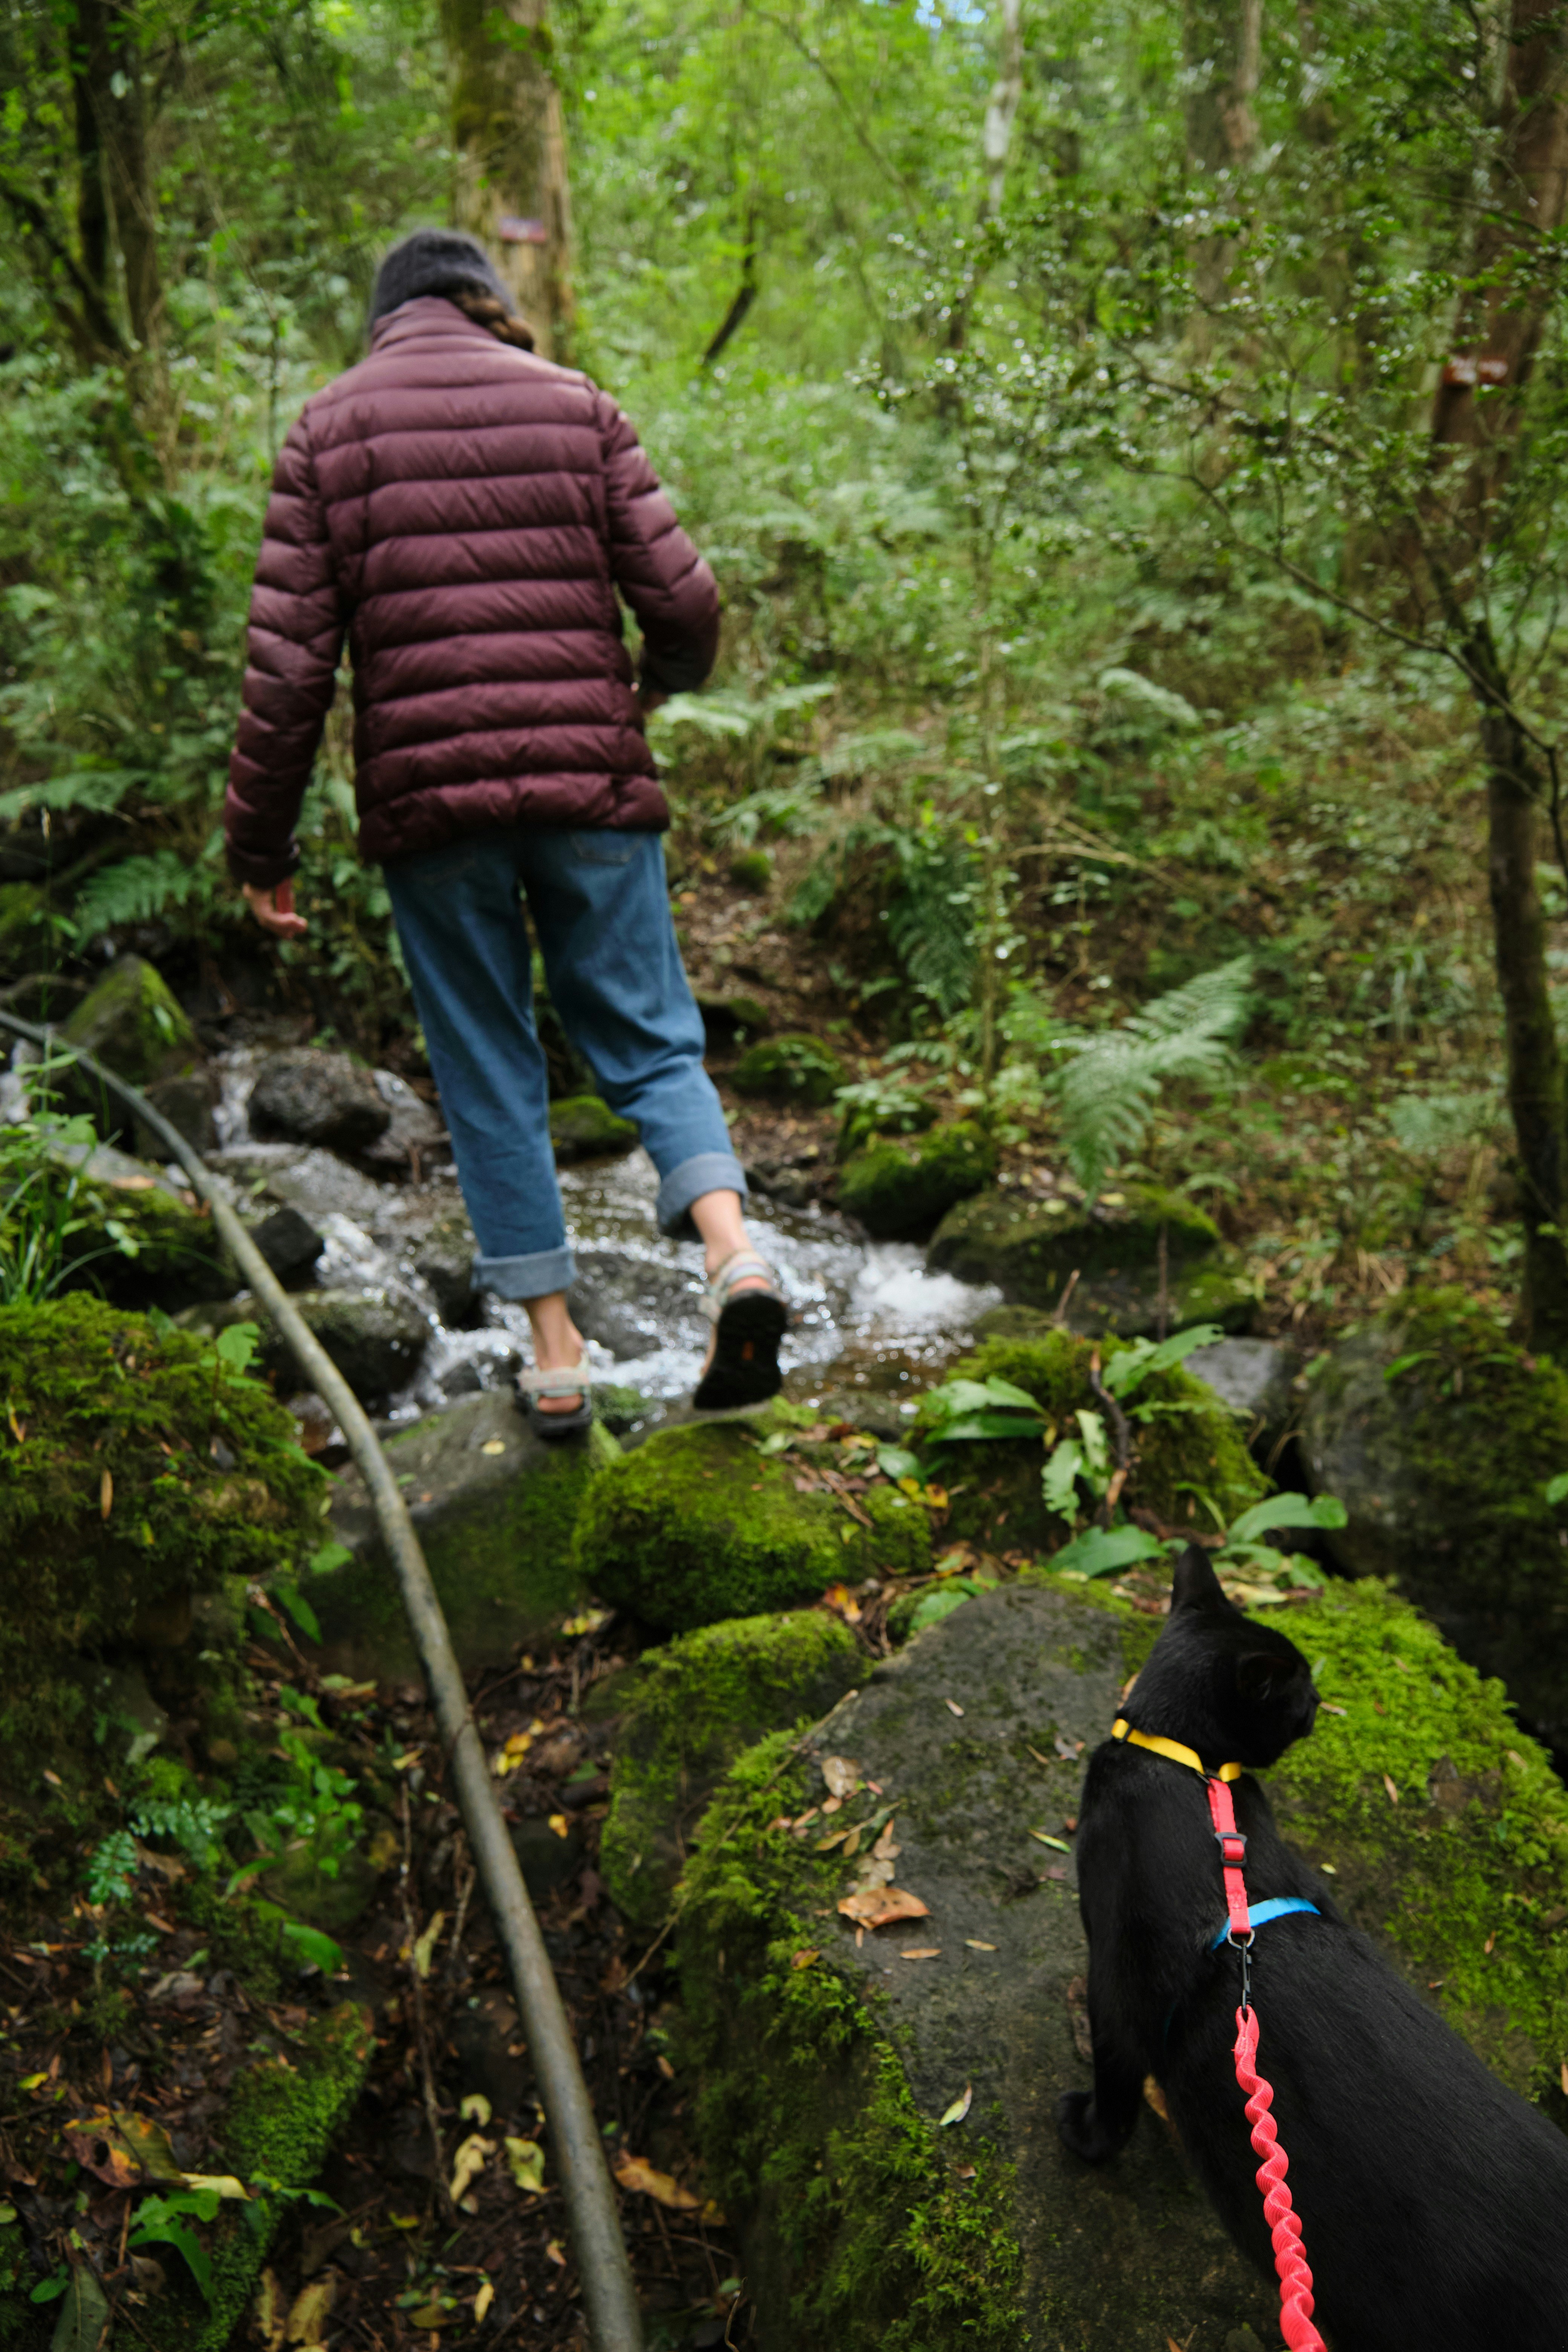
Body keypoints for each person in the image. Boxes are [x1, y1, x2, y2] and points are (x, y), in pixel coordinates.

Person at [224, 227, 787, 1433]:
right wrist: (653, 686)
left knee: (487, 1064)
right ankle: (734, 1254)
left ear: (385, 319)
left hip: (434, 813)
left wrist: (260, 848)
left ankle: (556, 1353)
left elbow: (288, 674)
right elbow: (685, 600)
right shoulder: (577, 404)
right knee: (653, 1041)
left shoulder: (328, 431)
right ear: (485, 301)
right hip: (592, 786)